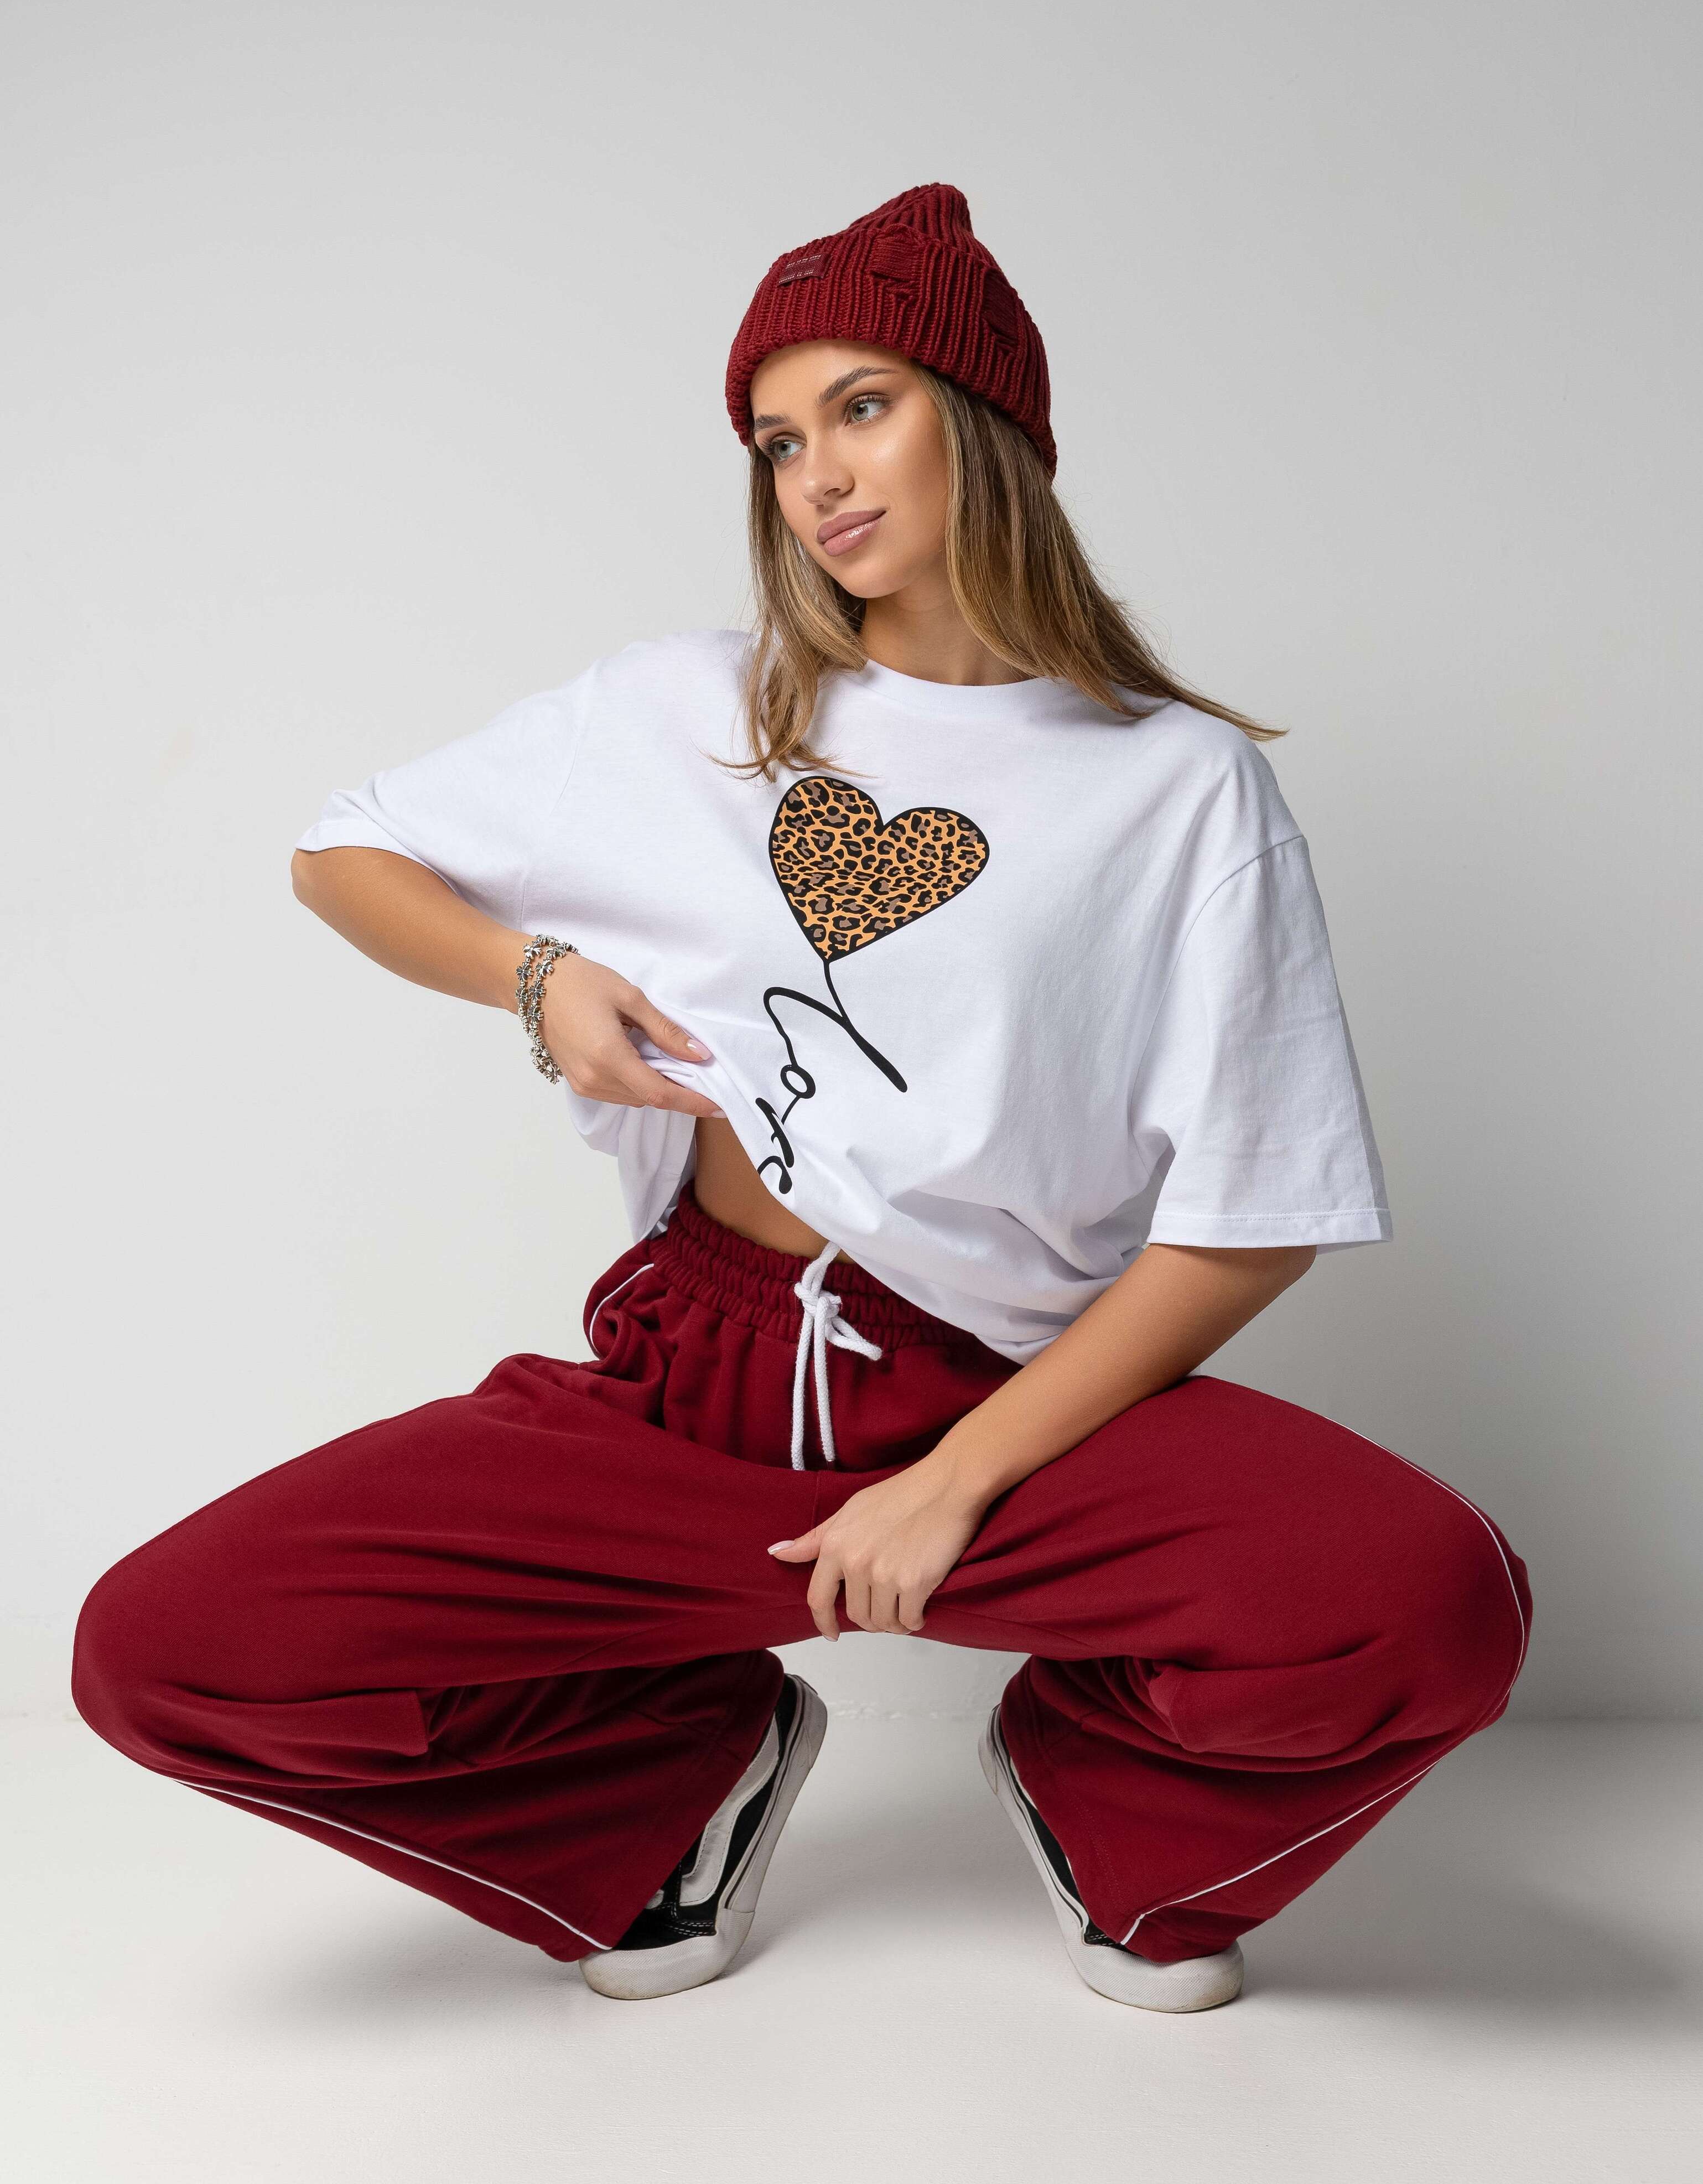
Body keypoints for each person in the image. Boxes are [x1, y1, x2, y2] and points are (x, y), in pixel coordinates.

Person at [71, 181, 1531, 2014]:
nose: (817, 475)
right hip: (691, 1390)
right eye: (776, 440)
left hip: (1009, 1401)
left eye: (861, 406)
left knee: (1434, 1600)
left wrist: (954, 1484)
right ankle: (676, 1796)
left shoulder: (1177, 790)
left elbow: (1248, 1222)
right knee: (166, 1651)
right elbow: (342, 853)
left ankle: (1104, 1809)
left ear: (983, 421)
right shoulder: (685, 707)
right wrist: (538, 977)